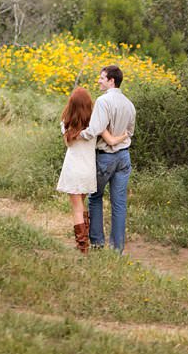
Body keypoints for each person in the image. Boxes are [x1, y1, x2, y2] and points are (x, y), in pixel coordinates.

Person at [56, 86, 127, 254]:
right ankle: (85, 243)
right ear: (89, 105)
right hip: (88, 169)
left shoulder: (65, 124)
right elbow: (110, 141)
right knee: (82, 205)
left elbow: (69, 143)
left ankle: (83, 247)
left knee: (77, 208)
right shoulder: (96, 125)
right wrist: (124, 136)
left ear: (71, 105)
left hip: (73, 169)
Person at [84, 64, 136, 253]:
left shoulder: (103, 101)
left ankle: (97, 243)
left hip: (106, 157)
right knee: (119, 203)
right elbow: (130, 132)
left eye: (102, 78)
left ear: (111, 81)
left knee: (95, 197)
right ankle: (117, 249)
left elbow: (95, 128)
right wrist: (118, 138)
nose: (98, 80)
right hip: (124, 157)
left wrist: (78, 135)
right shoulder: (129, 104)